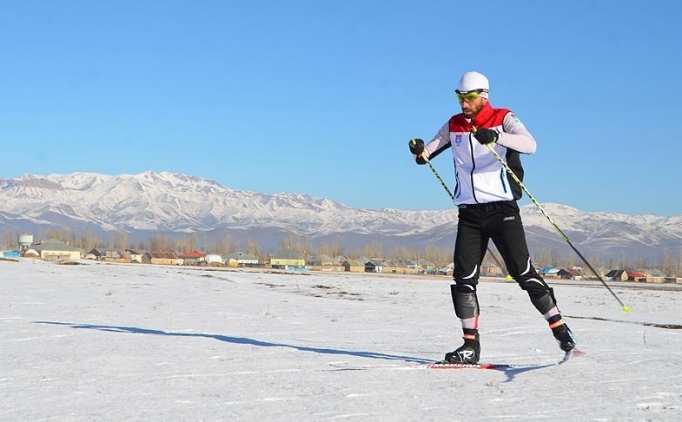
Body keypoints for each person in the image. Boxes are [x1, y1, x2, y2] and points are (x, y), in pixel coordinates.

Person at [408, 71, 576, 364]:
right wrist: (419, 151)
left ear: (483, 96)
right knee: (463, 278)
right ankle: (470, 346)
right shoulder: (454, 124)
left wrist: (498, 135)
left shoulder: (504, 117)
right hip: (470, 213)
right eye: (459, 97)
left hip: (502, 210)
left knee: (522, 273)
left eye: (469, 97)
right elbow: (428, 154)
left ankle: (560, 329)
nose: (464, 103)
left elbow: (531, 144)